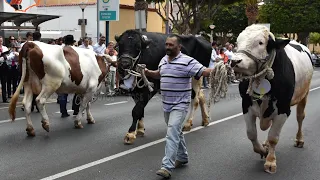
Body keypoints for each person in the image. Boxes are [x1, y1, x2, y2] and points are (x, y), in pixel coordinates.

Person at [144, 34, 215, 179]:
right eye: (167, 45)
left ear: (179, 47)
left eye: (171, 45)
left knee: (171, 133)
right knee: (176, 132)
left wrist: (218, 70)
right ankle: (182, 157)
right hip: (167, 104)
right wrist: (147, 72)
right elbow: (159, 74)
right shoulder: (163, 60)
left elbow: (204, 71)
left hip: (180, 105)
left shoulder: (187, 61)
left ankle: (167, 166)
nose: (168, 47)